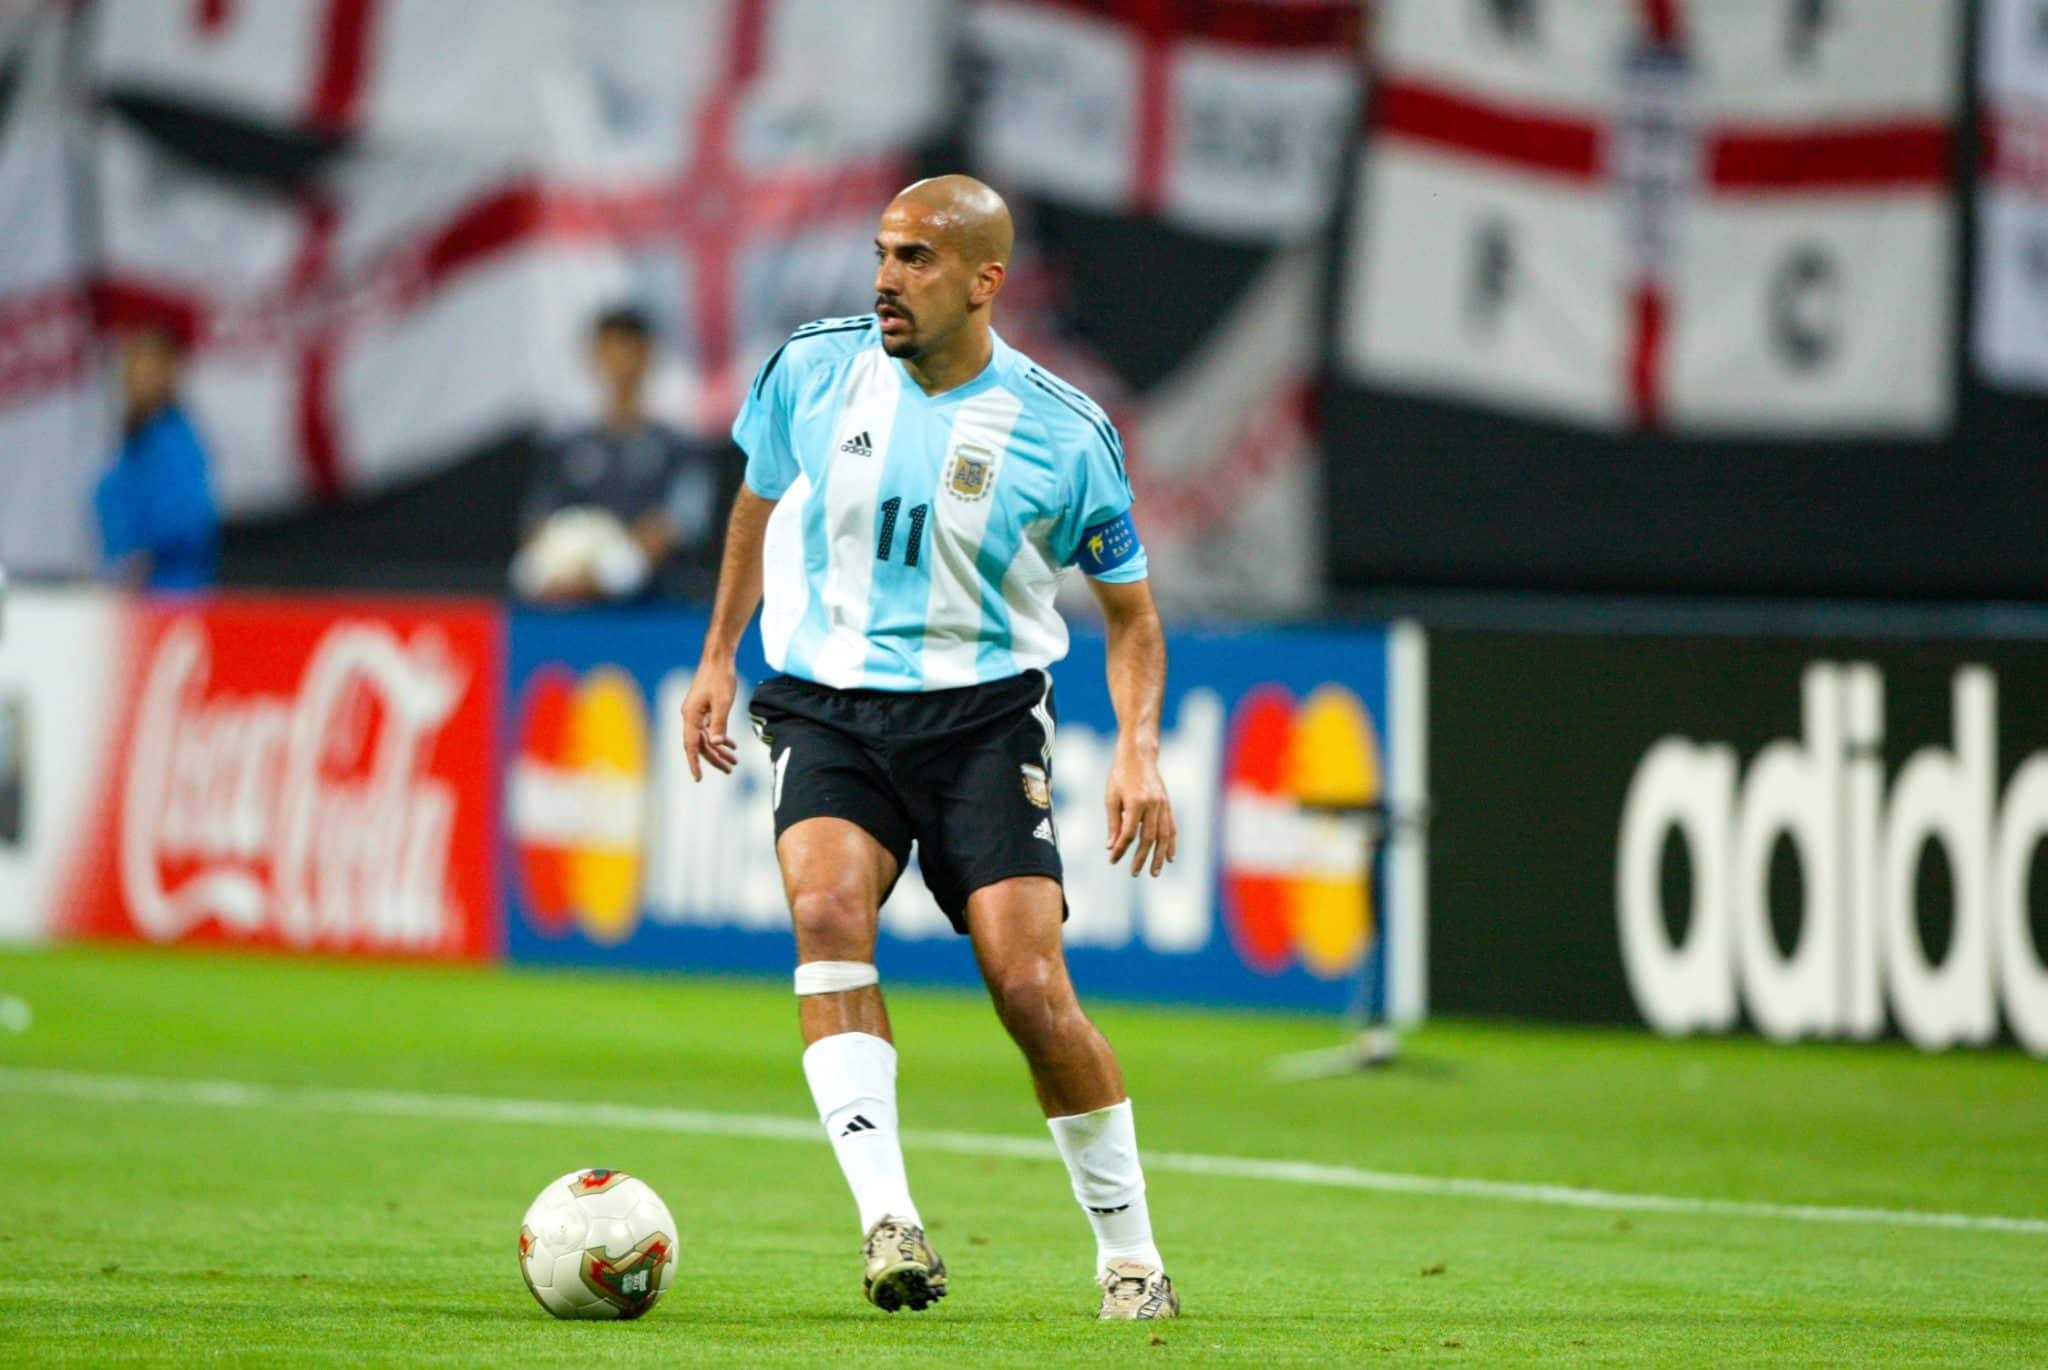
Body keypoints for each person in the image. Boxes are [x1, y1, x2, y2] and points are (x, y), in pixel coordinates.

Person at [680, 176, 1180, 1321]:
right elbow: (757, 503)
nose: (884, 279)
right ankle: (888, 1220)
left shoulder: (1062, 432)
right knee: (823, 911)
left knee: (1027, 984)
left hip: (981, 718)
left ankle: (1131, 1258)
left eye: (913, 260)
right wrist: (720, 652)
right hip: (829, 706)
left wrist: (1139, 749)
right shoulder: (812, 368)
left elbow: (1131, 615)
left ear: (983, 280)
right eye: (881, 253)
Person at [514, 306, 722, 604]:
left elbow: (676, 525)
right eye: (609, 348)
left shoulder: (680, 451)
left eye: (629, 348)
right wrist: (555, 568)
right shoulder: (564, 448)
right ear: (594, 355)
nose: (619, 361)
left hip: (655, 611)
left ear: (648, 355)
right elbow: (538, 523)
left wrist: (608, 574)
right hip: (569, 606)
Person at [94, 325, 218, 591]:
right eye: (132, 367)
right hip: (128, 593)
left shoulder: (178, 442)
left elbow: (187, 524)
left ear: (168, 374)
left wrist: (140, 554)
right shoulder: (128, 444)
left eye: (148, 368)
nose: (137, 378)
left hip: (172, 595)